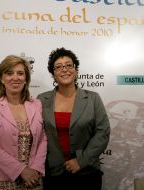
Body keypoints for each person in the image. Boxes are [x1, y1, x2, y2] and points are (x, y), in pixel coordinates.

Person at [37, 47, 110, 190]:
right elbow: (37, 135)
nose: (64, 69)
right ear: (53, 74)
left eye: (68, 65)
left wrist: (81, 161)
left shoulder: (93, 98)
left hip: (87, 173)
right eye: (58, 67)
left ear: (75, 70)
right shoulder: (41, 100)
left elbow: (103, 132)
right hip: (53, 174)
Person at [0, 55, 47, 189]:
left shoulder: (36, 104)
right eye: (9, 73)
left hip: (33, 180)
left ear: (26, 79)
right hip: (0, 180)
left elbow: (42, 139)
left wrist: (36, 169)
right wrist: (22, 171)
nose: (15, 78)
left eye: (20, 73)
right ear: (2, 79)